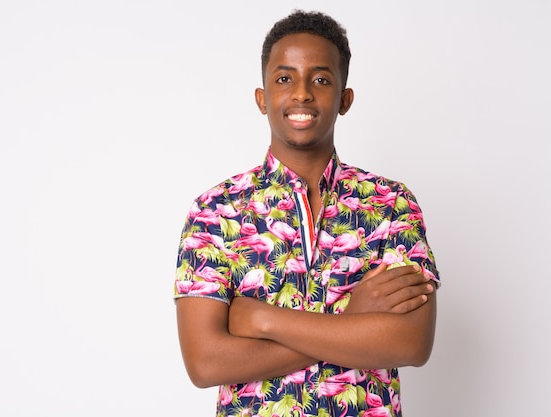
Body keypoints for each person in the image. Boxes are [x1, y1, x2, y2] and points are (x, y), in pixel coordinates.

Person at [173, 9, 440, 417]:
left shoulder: (391, 204)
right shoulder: (216, 210)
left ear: (345, 99)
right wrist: (351, 320)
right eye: (284, 79)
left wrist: (263, 320)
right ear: (262, 99)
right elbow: (206, 362)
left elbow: (410, 343)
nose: (302, 93)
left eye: (320, 79)